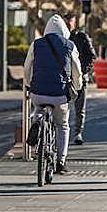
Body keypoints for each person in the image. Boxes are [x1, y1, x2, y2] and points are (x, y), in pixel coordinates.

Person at [23, 15, 83, 174]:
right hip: (60, 94)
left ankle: (37, 122)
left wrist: (29, 84)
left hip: (38, 91)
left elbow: (27, 67)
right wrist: (77, 87)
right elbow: (77, 71)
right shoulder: (70, 45)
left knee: (38, 109)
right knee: (62, 125)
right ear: (64, 30)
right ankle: (61, 162)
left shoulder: (36, 44)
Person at [64, 13, 96, 145]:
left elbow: (91, 55)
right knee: (62, 108)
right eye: (66, 23)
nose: (68, 25)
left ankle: (78, 133)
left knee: (79, 108)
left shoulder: (82, 37)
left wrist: (84, 71)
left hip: (80, 77)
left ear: (74, 22)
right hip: (64, 78)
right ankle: (62, 132)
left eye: (70, 22)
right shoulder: (61, 37)